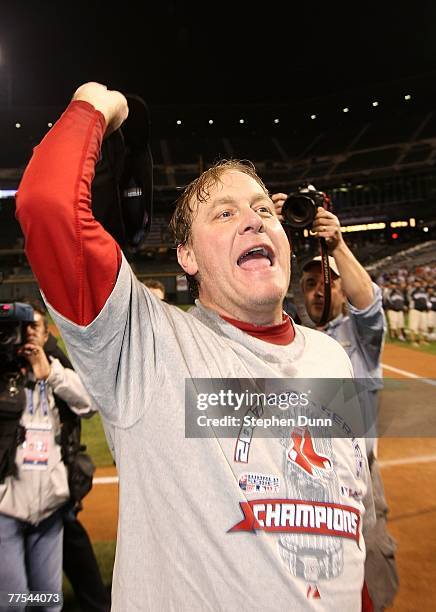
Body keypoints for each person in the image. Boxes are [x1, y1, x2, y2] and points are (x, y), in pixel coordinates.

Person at [16, 82, 375, 611]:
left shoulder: (331, 358)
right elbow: (48, 206)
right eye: (224, 214)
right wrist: (99, 102)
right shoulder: (148, 345)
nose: (254, 218)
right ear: (186, 256)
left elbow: (345, 521)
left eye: (262, 210)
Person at [272, 192, 398, 612]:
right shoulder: (290, 339)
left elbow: (369, 305)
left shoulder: (362, 340)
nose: (317, 290)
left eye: (325, 280)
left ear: (341, 285)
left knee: (374, 582)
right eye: (308, 284)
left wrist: (338, 246)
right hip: (302, 479)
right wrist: (270, 230)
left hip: (360, 479)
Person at [0, 300, 94, 612]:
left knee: (47, 602)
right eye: (20, 328)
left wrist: (50, 372)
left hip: (49, 510)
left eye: (34, 328)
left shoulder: (55, 370)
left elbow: (89, 403)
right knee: (13, 603)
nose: (26, 335)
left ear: (45, 334)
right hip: (6, 509)